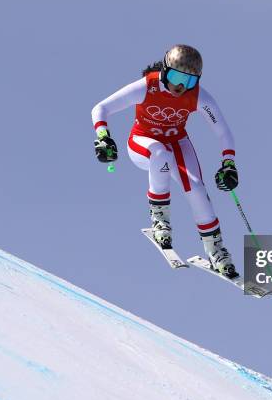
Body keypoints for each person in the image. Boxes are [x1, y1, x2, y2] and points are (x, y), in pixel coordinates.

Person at [91, 44, 239, 278]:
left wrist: (228, 163)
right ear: (164, 71)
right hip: (143, 142)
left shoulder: (198, 96)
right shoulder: (147, 86)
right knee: (160, 153)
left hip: (177, 142)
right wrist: (103, 137)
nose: (181, 86)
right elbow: (101, 108)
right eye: (176, 76)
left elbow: (222, 131)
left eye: (189, 81)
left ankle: (216, 250)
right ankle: (160, 221)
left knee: (197, 189)